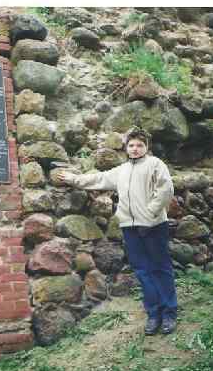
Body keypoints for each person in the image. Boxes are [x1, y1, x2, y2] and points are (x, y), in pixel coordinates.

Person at [58, 127, 178, 335]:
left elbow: (166, 190)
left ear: (146, 147)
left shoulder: (155, 164)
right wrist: (73, 178)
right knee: (142, 270)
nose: (135, 149)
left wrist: (149, 213)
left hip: (153, 225)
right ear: (126, 148)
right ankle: (153, 313)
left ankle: (169, 312)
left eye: (140, 145)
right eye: (131, 145)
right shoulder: (122, 170)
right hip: (130, 227)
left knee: (160, 268)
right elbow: (98, 179)